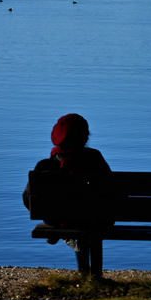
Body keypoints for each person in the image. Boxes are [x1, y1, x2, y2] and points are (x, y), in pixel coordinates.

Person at [24, 113, 112, 275]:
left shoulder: (44, 166)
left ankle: (65, 238)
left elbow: (26, 199)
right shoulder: (94, 159)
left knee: (72, 222)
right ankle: (93, 275)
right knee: (87, 220)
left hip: (59, 218)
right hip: (93, 219)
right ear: (85, 137)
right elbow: (111, 190)